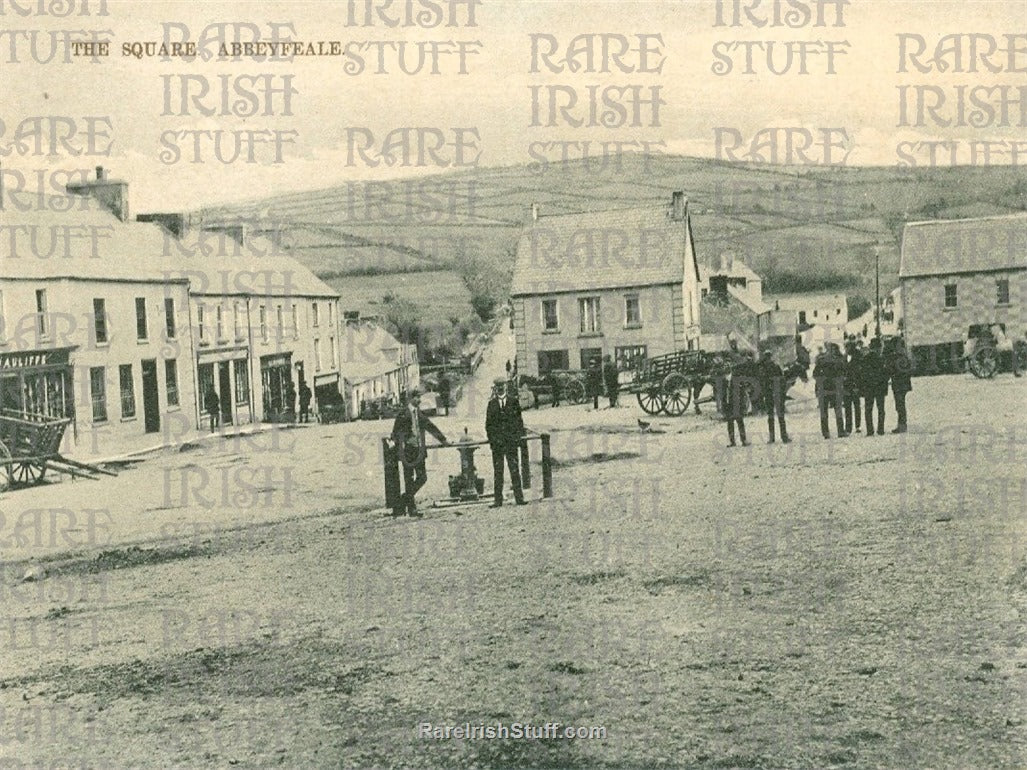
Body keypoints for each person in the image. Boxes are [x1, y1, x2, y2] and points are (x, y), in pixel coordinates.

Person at [390, 388, 449, 516]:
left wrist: (443, 439)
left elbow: (430, 426)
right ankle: (412, 509)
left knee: (422, 478)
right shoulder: (403, 414)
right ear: (411, 398)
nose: (420, 400)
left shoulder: (419, 414)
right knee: (409, 480)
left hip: (419, 451)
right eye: (417, 397)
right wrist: (398, 445)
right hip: (408, 452)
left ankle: (402, 501)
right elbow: (395, 433)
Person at [485, 377, 527, 508]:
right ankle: (498, 501)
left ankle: (519, 498)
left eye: (502, 385)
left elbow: (519, 422)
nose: (500, 388)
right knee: (498, 472)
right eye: (497, 386)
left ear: (506, 387)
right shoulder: (491, 404)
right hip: (498, 445)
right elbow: (488, 425)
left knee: (514, 470)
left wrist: (517, 438)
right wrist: (493, 440)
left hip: (511, 443)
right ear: (495, 388)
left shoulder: (514, 402)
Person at [813, 342, 847, 439]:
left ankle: (826, 433)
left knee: (825, 411)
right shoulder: (838, 361)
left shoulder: (820, 360)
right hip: (834, 389)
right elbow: (843, 375)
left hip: (824, 389)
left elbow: (815, 374)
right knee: (838, 410)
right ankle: (840, 431)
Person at [756, 349, 790, 444]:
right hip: (777, 393)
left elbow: (761, 382)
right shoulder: (776, 366)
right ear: (770, 356)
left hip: (768, 394)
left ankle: (772, 438)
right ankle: (784, 437)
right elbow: (782, 379)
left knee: (770, 416)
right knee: (780, 416)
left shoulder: (762, 368)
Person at [725, 351, 755, 447]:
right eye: (726, 363)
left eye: (729, 363)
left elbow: (742, 390)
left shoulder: (736, 376)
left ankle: (743, 440)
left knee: (739, 421)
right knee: (730, 422)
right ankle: (732, 441)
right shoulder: (724, 378)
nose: (728, 365)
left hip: (736, 401)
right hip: (728, 401)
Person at [860, 337, 887, 436]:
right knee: (881, 409)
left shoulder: (865, 359)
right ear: (878, 348)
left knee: (868, 409)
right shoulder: (881, 359)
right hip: (879, 387)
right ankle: (880, 429)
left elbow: (862, 374)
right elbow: (885, 374)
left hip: (869, 388)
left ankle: (870, 430)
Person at [888, 337, 913, 433]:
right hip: (903, 384)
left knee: (900, 405)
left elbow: (892, 370)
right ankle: (902, 425)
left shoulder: (898, 356)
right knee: (900, 405)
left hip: (899, 384)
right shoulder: (904, 355)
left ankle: (902, 425)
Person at [843, 339, 862, 434]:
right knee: (847, 407)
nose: (846, 349)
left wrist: (858, 385)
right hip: (846, 386)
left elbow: (859, 372)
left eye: (847, 347)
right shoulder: (844, 357)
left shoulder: (858, 357)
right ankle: (848, 427)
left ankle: (858, 426)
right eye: (845, 347)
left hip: (855, 385)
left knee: (856, 406)